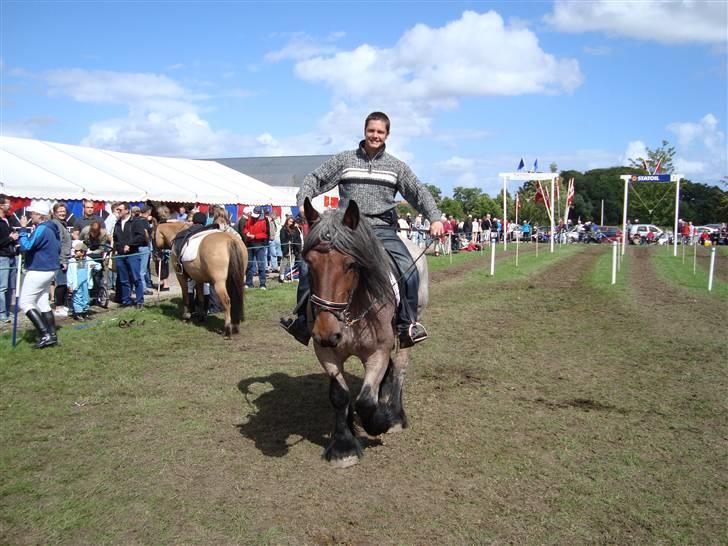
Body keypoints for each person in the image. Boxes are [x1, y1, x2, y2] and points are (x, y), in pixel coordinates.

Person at [281, 111, 444, 348]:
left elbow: (418, 192)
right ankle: (302, 320)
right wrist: (303, 202)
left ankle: (406, 324)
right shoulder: (344, 160)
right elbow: (315, 178)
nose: (375, 135)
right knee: (309, 266)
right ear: (364, 131)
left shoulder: (396, 167)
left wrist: (435, 218)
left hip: (382, 230)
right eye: (371, 130)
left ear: (387, 134)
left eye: (380, 132)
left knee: (409, 271)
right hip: (347, 231)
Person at [16, 201, 61, 348]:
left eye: (32, 214)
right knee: (42, 302)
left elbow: (26, 246)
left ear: (39, 215)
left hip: (39, 269)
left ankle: (45, 334)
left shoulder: (42, 228)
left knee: (25, 302)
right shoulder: (53, 228)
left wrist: (22, 230)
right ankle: (52, 335)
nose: (30, 216)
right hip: (50, 268)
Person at [112, 202, 148, 309]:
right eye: (117, 210)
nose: (118, 212)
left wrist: (130, 244)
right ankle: (126, 300)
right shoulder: (118, 223)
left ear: (127, 210)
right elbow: (115, 238)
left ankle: (139, 300)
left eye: (120, 210)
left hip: (132, 254)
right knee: (123, 279)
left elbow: (141, 236)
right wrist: (115, 249)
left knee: (136, 278)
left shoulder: (135, 222)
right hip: (120, 255)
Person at [67, 241, 102, 320]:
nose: (75, 252)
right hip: (76, 283)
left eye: (77, 251)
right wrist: (70, 285)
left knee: (86, 297)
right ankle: (78, 313)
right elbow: (69, 274)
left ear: (82, 252)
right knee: (77, 297)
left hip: (85, 282)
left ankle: (85, 312)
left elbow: (98, 266)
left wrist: (95, 266)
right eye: (75, 251)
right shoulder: (72, 261)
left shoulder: (88, 260)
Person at [50, 202, 72, 317]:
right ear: (55, 213)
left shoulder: (63, 223)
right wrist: (63, 259)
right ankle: (58, 307)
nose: (62, 213)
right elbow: (61, 243)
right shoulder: (56, 224)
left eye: (63, 211)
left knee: (64, 282)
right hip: (61, 258)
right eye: (60, 211)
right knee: (61, 282)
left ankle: (62, 305)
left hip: (65, 257)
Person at [243, 206, 270, 290]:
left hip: (259, 244)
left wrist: (255, 236)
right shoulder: (250, 218)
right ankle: (248, 283)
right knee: (249, 264)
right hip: (250, 244)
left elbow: (265, 234)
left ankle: (262, 284)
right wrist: (247, 233)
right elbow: (245, 228)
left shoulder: (265, 221)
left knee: (261, 265)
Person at [0, 196, 17, 324]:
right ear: (1, 205)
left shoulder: (8, 219)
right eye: (7, 204)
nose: (10, 206)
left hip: (11, 255)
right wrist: (10, 239)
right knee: (2, 287)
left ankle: (7, 310)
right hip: (2, 257)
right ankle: (1, 313)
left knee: (11, 286)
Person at [279, 216, 303, 283]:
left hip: (293, 249)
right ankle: (281, 277)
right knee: (284, 263)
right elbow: (282, 239)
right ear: (287, 221)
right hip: (286, 249)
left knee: (290, 264)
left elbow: (297, 238)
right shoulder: (283, 229)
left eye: (292, 222)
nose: (291, 223)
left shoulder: (294, 229)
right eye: (290, 221)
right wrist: (287, 243)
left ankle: (288, 276)